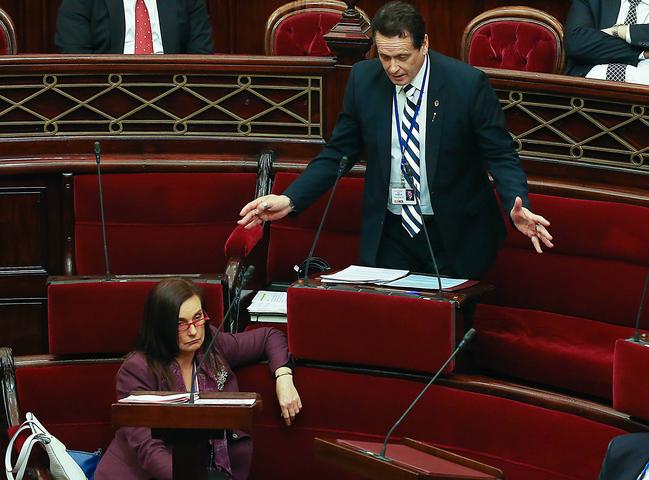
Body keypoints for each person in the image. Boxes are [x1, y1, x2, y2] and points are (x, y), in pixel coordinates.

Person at [238, 1, 553, 280]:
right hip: (392, 232)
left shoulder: (466, 85)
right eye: (385, 57)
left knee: (447, 333)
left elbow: (500, 154)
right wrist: (291, 200)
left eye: (402, 56)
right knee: (391, 329)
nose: (393, 68)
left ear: (424, 45)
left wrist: (517, 202)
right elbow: (338, 153)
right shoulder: (364, 80)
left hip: (453, 233)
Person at [94, 277, 301, 480]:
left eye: (197, 318)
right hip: (149, 478)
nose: (193, 331)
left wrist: (283, 377)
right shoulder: (137, 370)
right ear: (161, 327)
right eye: (180, 324)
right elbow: (149, 449)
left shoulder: (212, 345)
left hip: (208, 471)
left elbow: (269, 337)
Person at [55, 0, 214, 54]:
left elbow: (201, 54)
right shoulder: (80, 3)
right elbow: (75, 58)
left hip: (173, 98)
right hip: (105, 100)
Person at [564, 0, 649, 84]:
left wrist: (623, 31)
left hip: (642, 84)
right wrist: (640, 52)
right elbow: (577, 42)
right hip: (587, 80)